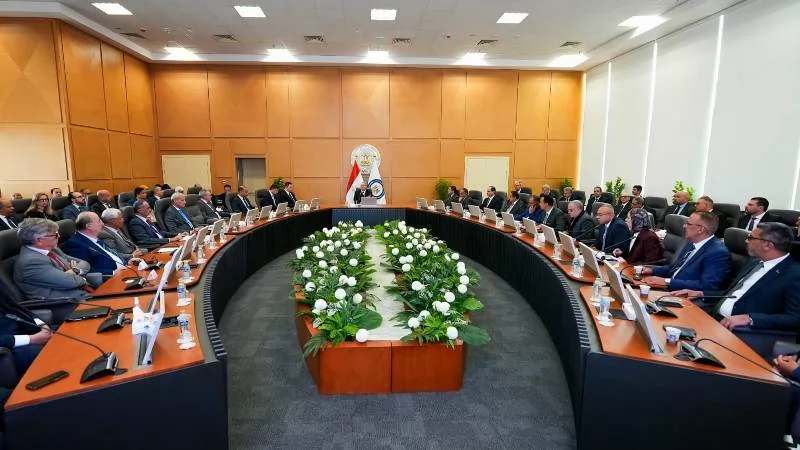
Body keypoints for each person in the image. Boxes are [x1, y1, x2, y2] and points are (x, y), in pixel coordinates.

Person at [671, 223, 800, 334]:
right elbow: (733, 294)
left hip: (743, 331)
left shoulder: (794, 274)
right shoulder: (755, 262)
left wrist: (751, 318)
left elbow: (795, 318)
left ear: (768, 245)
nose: (746, 241)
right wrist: (701, 293)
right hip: (713, 316)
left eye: (750, 238)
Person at [641, 211, 731, 291]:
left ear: (700, 229)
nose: (684, 226)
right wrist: (652, 270)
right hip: (668, 288)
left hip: (683, 296)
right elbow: (674, 268)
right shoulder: (690, 243)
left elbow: (707, 286)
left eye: (688, 224)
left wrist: (667, 281)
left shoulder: (717, 252)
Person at [14, 218, 92, 301]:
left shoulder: (52, 249)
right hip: (67, 301)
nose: (59, 236)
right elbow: (71, 282)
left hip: (80, 293)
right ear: (39, 240)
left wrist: (75, 271)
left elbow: (84, 263)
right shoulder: (30, 262)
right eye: (55, 234)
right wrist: (78, 275)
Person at [61, 212, 131, 276]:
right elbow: (84, 270)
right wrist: (112, 272)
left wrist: (128, 259)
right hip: (111, 278)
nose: (102, 224)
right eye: (99, 221)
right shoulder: (75, 245)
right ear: (89, 226)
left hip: (125, 269)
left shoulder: (94, 237)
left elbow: (110, 254)